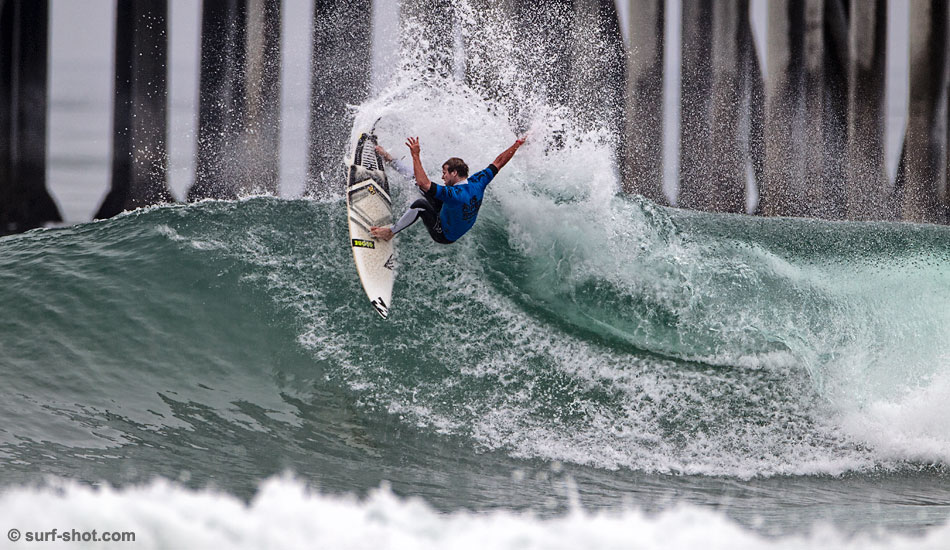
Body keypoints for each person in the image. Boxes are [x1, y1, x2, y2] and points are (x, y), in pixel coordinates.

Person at [369, 136, 525, 244]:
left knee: (420, 203)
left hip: (444, 234)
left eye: (445, 173)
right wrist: (516, 144)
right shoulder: (478, 181)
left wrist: (415, 155)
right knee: (419, 183)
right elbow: (499, 162)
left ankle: (391, 233)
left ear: (454, 173)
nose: (442, 177)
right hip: (451, 212)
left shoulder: (454, 195)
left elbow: (425, 184)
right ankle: (390, 160)